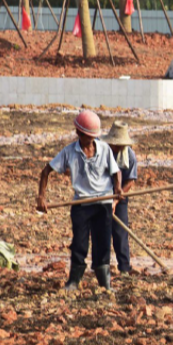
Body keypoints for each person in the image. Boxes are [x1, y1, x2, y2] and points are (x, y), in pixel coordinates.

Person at [36, 110, 122, 291]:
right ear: (78, 133)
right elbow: (46, 172)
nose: (90, 142)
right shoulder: (69, 152)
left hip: (103, 202)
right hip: (81, 204)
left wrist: (118, 189)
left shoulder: (105, 149)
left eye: (93, 138)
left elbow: (116, 172)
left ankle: (105, 284)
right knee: (80, 243)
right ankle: (74, 282)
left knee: (103, 243)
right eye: (87, 138)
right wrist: (41, 197)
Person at [102, 121, 138, 275]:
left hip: (120, 194)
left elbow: (130, 181)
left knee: (120, 232)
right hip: (102, 194)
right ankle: (101, 267)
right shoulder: (101, 152)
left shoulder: (129, 155)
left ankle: (124, 268)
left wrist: (116, 200)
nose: (117, 147)